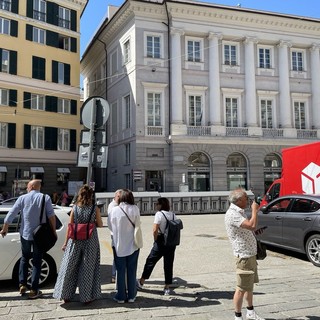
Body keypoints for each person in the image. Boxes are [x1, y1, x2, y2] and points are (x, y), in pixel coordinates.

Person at [0, 179, 56, 299]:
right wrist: (53, 231)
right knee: (36, 261)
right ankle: (34, 290)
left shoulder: (22, 198)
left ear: (31, 187)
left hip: (25, 234)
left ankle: (22, 284)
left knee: (24, 258)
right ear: (38, 187)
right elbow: (51, 216)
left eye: (27, 187)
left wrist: (5, 228)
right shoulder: (45, 198)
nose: (26, 188)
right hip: (39, 235)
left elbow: (11, 213)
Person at [53, 184, 103, 304]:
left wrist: (65, 243)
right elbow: (100, 224)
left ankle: (65, 295)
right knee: (87, 269)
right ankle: (86, 297)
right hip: (90, 241)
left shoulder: (75, 208)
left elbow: (70, 227)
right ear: (91, 196)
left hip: (74, 240)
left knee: (69, 267)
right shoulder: (94, 208)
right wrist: (91, 223)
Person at [224, 188, 265, 320]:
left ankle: (250, 312)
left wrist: (255, 212)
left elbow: (251, 227)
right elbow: (252, 225)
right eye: (246, 198)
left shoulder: (239, 212)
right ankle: (237, 316)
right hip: (244, 256)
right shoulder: (232, 214)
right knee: (241, 288)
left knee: (249, 286)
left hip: (250, 254)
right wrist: (254, 210)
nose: (248, 200)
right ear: (239, 200)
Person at [137, 197, 177, 296]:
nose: (156, 205)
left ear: (160, 205)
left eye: (157, 204)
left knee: (150, 261)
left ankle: (141, 282)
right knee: (168, 264)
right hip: (171, 243)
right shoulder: (173, 214)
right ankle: (167, 287)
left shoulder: (159, 214)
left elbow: (155, 229)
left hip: (160, 241)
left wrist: (155, 240)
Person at [108, 189, 140, 303]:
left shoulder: (114, 210)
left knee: (120, 271)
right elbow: (138, 224)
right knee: (132, 270)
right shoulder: (135, 209)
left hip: (118, 245)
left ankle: (121, 295)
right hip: (133, 244)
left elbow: (110, 227)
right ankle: (132, 295)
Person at [107, 189, 122, 283]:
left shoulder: (120, 206)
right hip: (115, 234)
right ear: (115, 196)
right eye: (118, 197)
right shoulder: (112, 206)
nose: (120, 198)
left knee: (120, 254)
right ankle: (114, 275)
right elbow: (110, 223)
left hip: (120, 234)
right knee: (117, 255)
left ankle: (116, 274)